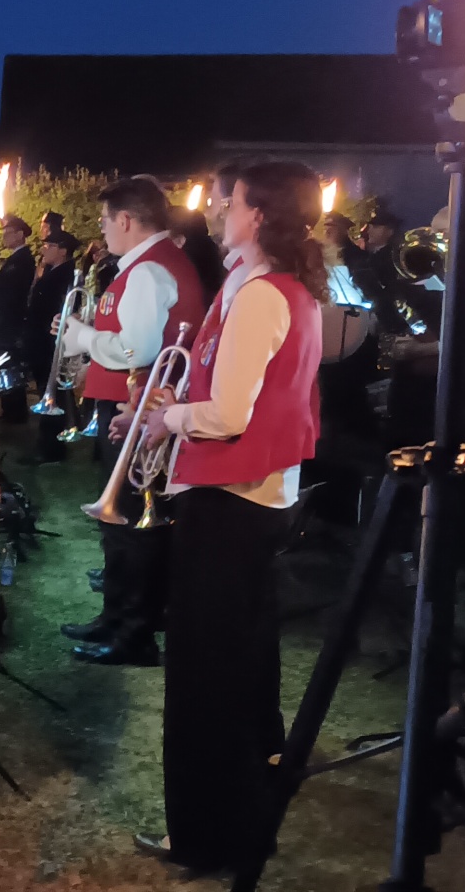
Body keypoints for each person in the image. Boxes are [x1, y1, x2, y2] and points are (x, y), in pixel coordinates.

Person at [131, 162, 324, 876]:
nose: (217, 210)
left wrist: (171, 419)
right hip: (244, 499)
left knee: (206, 682)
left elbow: (228, 414)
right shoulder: (262, 285)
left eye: (229, 202)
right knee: (235, 674)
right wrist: (168, 413)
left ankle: (208, 836)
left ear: (259, 215)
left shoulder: (261, 295)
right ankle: (236, 824)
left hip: (231, 504)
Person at [54, 176, 204, 666]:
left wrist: (81, 338)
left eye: (104, 220)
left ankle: (133, 632)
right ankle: (116, 616)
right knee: (119, 523)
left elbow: (135, 350)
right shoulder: (148, 265)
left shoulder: (147, 271)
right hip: (132, 406)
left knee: (131, 525)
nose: (101, 229)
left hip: (135, 409)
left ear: (124, 220)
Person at [26, 229, 82, 460]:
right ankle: (47, 444)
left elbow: (62, 310)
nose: (44, 249)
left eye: (49, 246)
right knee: (47, 393)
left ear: (63, 250)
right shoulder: (53, 271)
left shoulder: (67, 275)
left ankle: (51, 448)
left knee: (53, 396)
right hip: (42, 340)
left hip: (50, 343)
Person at [0, 215, 36, 422]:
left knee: (10, 365)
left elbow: (5, 288)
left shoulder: (22, 260)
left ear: (20, 234)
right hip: (6, 322)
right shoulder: (14, 259)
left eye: (8, 233)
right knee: (5, 365)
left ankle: (15, 412)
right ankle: (9, 409)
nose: (4, 237)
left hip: (11, 321)